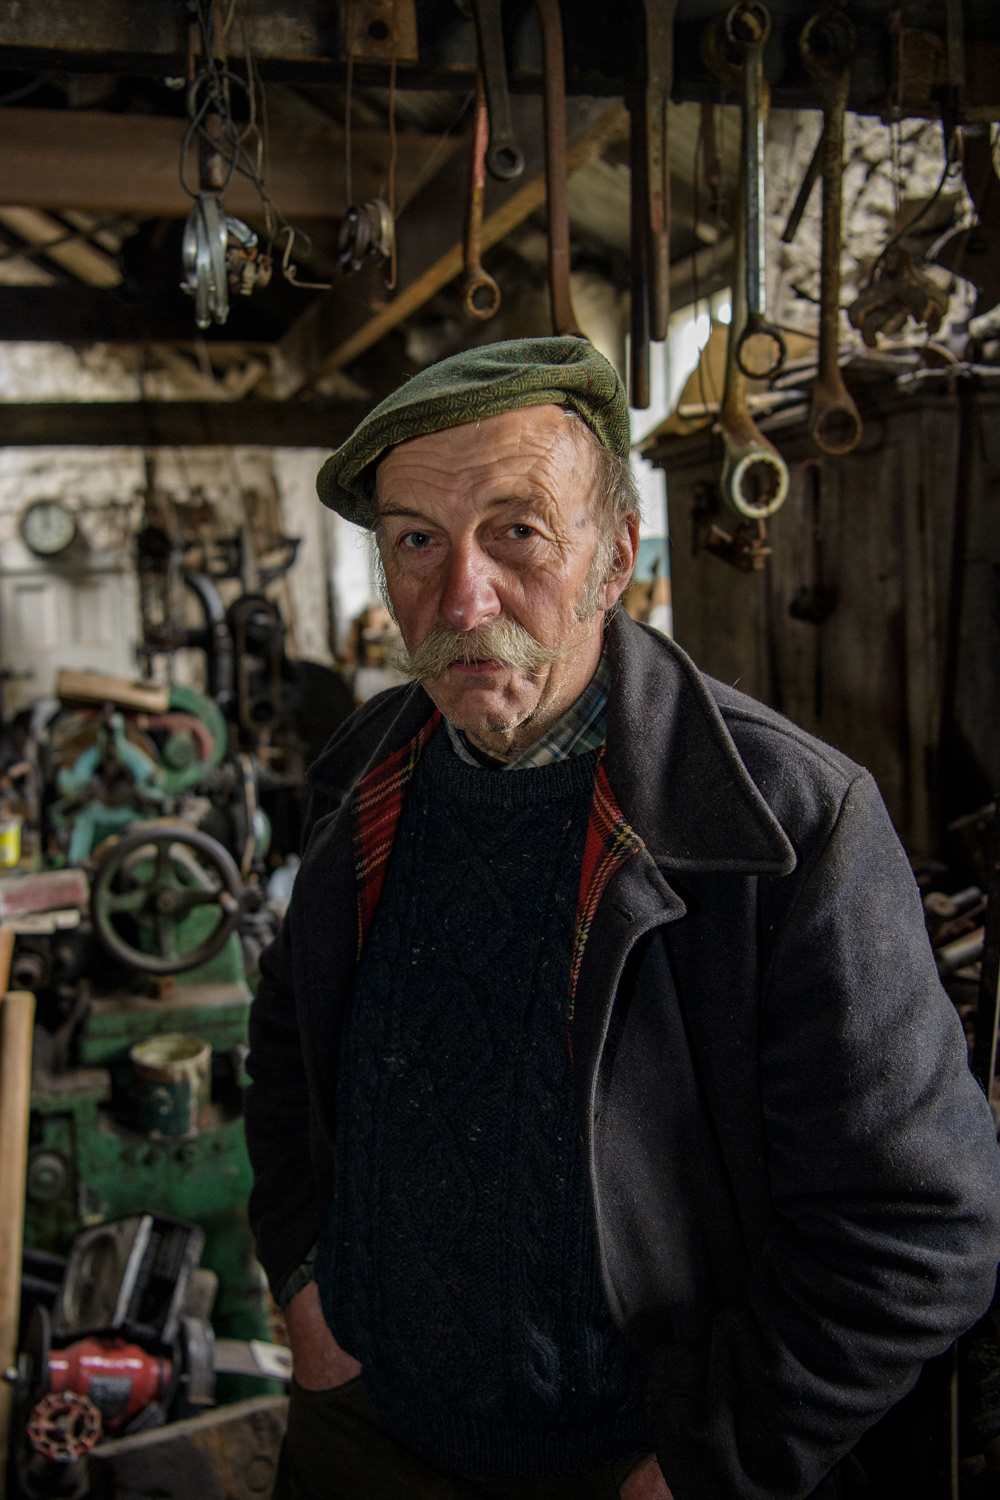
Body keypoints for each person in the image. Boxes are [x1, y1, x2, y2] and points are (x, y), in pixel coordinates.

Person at [245, 337, 1000, 1500]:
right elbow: (287, 1044)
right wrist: (303, 1279)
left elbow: (916, 1225)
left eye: (517, 530)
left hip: (628, 1462)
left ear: (613, 558)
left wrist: (707, 1463)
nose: (462, 598)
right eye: (415, 541)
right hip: (363, 1424)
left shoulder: (787, 824)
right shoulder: (364, 773)